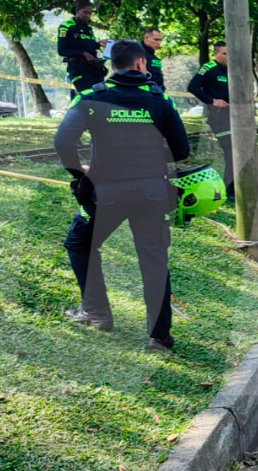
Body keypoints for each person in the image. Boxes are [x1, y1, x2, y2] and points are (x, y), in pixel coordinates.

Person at [55, 40, 191, 350]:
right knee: (153, 260)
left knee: (80, 243)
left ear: (112, 65)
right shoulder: (161, 100)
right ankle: (159, 336)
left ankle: (96, 312)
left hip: (106, 194)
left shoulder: (91, 97)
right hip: (153, 194)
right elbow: (182, 150)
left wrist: (81, 172)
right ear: (141, 63)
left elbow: (63, 142)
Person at [187, 42, 233, 198]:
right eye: (224, 53)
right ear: (216, 54)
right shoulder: (209, 68)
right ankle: (229, 190)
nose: (228, 56)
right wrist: (211, 100)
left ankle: (232, 187)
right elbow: (192, 87)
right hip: (218, 116)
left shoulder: (231, 70)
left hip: (233, 116)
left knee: (235, 151)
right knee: (231, 149)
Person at [57, 0, 107, 98]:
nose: (88, 16)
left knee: (101, 96)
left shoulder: (88, 27)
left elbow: (88, 45)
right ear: (77, 11)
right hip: (78, 69)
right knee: (87, 98)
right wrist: (83, 53)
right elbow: (62, 50)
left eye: (90, 13)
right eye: (85, 12)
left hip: (93, 69)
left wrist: (98, 44)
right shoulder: (67, 26)